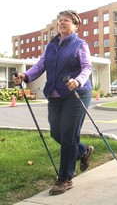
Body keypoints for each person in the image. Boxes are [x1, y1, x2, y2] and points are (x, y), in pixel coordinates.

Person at [13, 10, 94, 195]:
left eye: (66, 20)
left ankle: (65, 178)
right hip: (55, 95)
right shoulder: (51, 45)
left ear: (76, 26)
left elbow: (87, 67)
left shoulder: (80, 44)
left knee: (68, 135)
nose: (62, 23)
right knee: (56, 133)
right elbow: (41, 65)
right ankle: (83, 151)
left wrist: (78, 80)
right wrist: (25, 76)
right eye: (60, 20)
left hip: (77, 93)